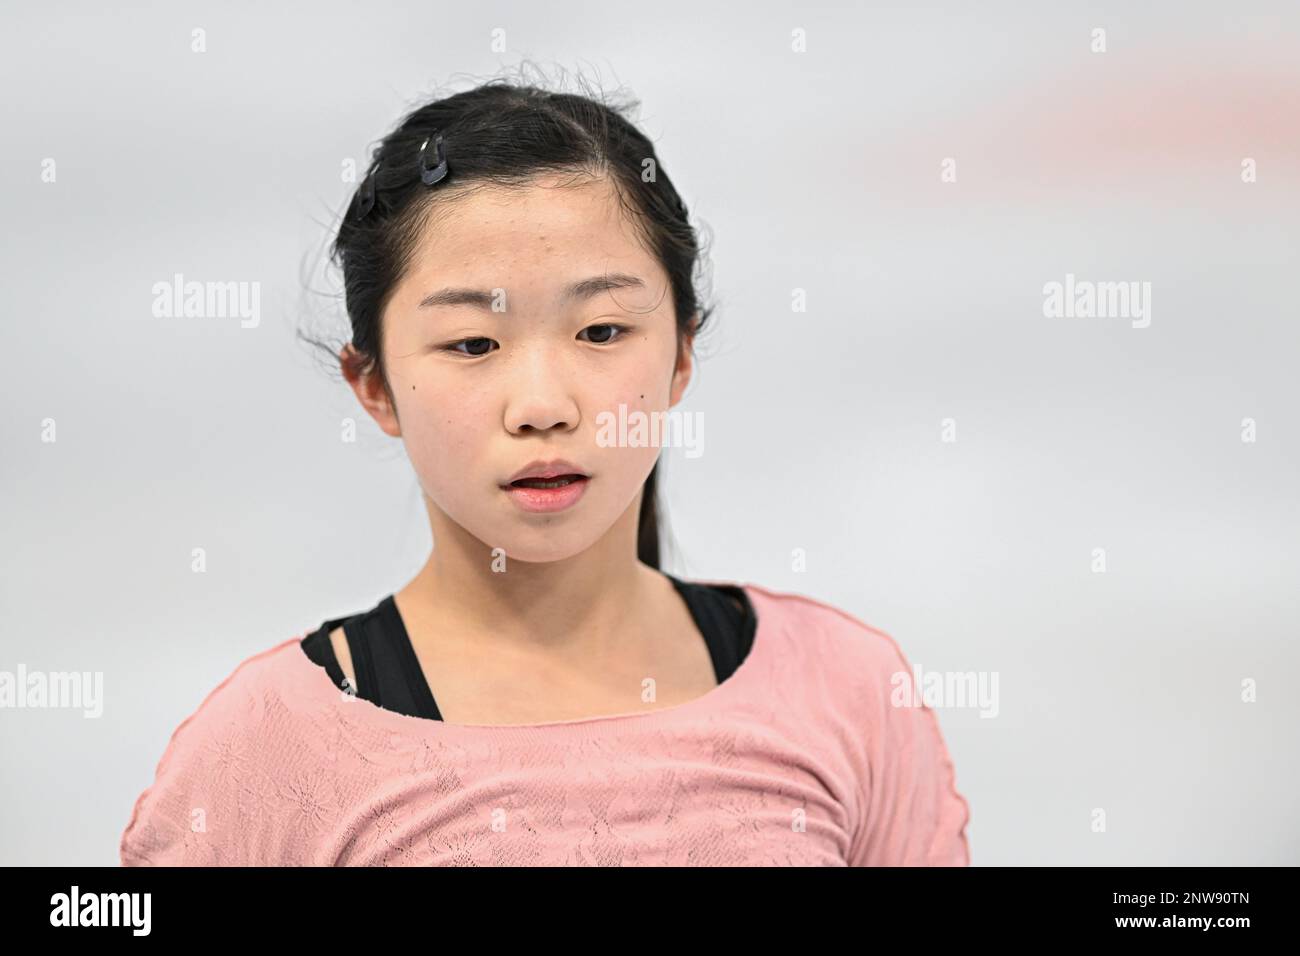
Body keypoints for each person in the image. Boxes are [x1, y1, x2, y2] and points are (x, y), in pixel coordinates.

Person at [119, 76, 970, 866]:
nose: (542, 405)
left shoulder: (847, 692)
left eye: (600, 332)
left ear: (680, 356)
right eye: (473, 345)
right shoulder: (272, 748)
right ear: (374, 385)